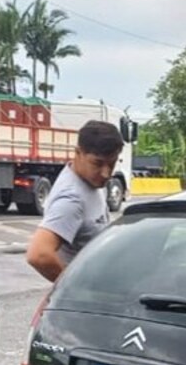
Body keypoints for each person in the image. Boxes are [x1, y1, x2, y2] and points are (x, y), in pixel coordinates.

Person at [25, 120, 125, 282]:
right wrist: (73, 288)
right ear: (78, 153)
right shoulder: (72, 199)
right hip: (87, 298)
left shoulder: (90, 182)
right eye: (97, 163)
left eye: (111, 164)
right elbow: (39, 254)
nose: (106, 173)